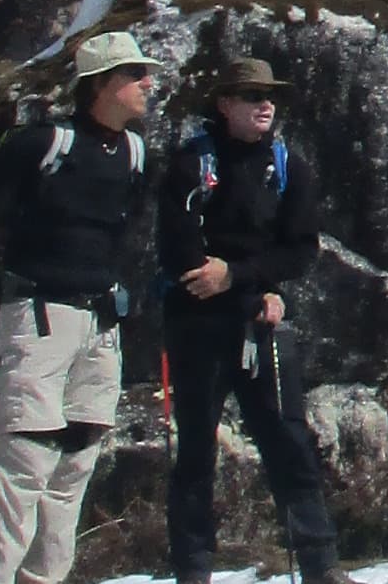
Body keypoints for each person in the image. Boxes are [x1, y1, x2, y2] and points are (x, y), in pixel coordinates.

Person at [0, 29, 161, 584]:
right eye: (134, 74)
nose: (148, 83)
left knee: (76, 463)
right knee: (24, 464)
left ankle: (45, 578)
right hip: (41, 314)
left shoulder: (135, 152)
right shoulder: (46, 142)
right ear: (100, 85)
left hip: (100, 323)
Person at [159, 57, 355, 584]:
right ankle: (193, 567)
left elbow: (300, 249)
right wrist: (231, 279)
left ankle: (320, 564)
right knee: (196, 448)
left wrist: (244, 278)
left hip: (258, 322)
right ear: (225, 105)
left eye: (270, 96)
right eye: (251, 95)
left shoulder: (290, 166)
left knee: (289, 441)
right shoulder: (189, 165)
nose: (265, 105)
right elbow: (176, 249)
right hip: (197, 325)